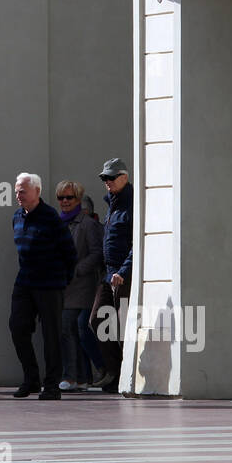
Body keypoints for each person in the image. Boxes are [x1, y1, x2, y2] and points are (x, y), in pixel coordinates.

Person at [9, 173, 76, 399]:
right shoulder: (17, 217)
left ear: (37, 192)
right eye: (17, 191)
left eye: (22, 191)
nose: (18, 195)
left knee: (51, 335)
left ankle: (52, 385)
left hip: (49, 284)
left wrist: (62, 281)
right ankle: (31, 379)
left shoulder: (51, 218)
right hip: (25, 282)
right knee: (18, 327)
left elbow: (69, 253)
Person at [56, 182, 107, 391]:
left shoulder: (87, 224)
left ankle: (78, 375)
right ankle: (80, 377)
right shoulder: (58, 223)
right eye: (61, 198)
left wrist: (78, 269)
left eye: (69, 197)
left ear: (78, 200)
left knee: (75, 327)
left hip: (84, 287)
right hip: (64, 286)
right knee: (69, 330)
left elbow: (97, 253)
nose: (65, 201)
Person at [93, 158, 134, 393]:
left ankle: (121, 376)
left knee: (121, 327)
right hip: (109, 274)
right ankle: (114, 371)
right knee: (97, 320)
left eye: (111, 177)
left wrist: (124, 271)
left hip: (122, 275)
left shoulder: (131, 205)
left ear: (124, 177)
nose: (107, 182)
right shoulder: (112, 204)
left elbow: (136, 244)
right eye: (104, 178)